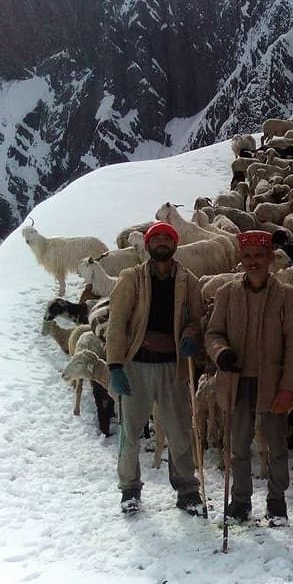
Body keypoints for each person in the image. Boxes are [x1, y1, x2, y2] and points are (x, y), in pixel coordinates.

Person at [205, 231, 293, 525]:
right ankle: (240, 501)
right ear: (240, 258)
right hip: (237, 382)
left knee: (275, 446)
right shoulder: (226, 293)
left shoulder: (288, 296)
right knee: (238, 446)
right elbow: (213, 333)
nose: (253, 262)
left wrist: (289, 387)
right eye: (247, 256)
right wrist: (220, 352)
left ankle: (277, 502)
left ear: (270, 259)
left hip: (272, 384)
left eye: (259, 256)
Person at [106, 221, 203, 515]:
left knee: (180, 430)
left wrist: (190, 335)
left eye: (167, 238)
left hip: (173, 366)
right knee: (130, 431)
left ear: (175, 244)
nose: (162, 242)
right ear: (147, 245)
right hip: (136, 364)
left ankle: (187, 488)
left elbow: (196, 320)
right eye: (156, 237)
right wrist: (115, 365)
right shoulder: (131, 279)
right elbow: (117, 323)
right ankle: (129, 489)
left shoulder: (189, 282)